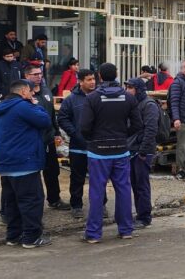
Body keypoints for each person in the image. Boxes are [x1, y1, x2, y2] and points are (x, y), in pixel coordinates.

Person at [80, 63, 143, 243]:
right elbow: (138, 125)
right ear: (116, 75)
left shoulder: (92, 98)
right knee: (123, 189)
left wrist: (93, 138)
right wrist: (123, 135)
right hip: (121, 151)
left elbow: (84, 127)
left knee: (97, 192)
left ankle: (93, 234)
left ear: (99, 75)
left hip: (98, 152)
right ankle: (125, 230)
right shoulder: (128, 98)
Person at [0, 79, 53, 248]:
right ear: (23, 91)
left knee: (11, 202)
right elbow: (45, 121)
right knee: (31, 200)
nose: (33, 94)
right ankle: (31, 237)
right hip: (24, 161)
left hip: (6, 162)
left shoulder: (3, 106)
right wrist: (35, 105)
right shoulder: (23, 106)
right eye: (31, 91)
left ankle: (13, 236)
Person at [23, 65, 69, 210]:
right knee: (32, 173)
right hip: (32, 141)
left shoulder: (46, 90)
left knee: (52, 171)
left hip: (48, 139)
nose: (38, 76)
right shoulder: (24, 95)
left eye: (40, 74)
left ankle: (54, 199)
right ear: (26, 76)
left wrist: (56, 133)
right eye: (35, 74)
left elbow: (51, 115)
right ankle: (32, 203)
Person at [57, 69, 96, 219]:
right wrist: (74, 133)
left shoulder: (99, 97)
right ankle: (76, 205)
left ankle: (100, 204)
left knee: (98, 178)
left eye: (93, 79)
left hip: (96, 147)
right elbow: (63, 118)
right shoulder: (71, 100)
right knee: (77, 178)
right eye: (88, 79)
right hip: (78, 147)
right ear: (80, 81)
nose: (92, 82)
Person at [124, 78, 160, 230]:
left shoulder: (149, 105)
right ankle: (140, 213)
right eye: (126, 87)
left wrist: (144, 151)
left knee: (142, 185)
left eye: (130, 88)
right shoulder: (133, 104)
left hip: (142, 151)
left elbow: (151, 130)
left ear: (138, 89)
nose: (127, 90)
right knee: (134, 183)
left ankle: (144, 216)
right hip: (132, 150)